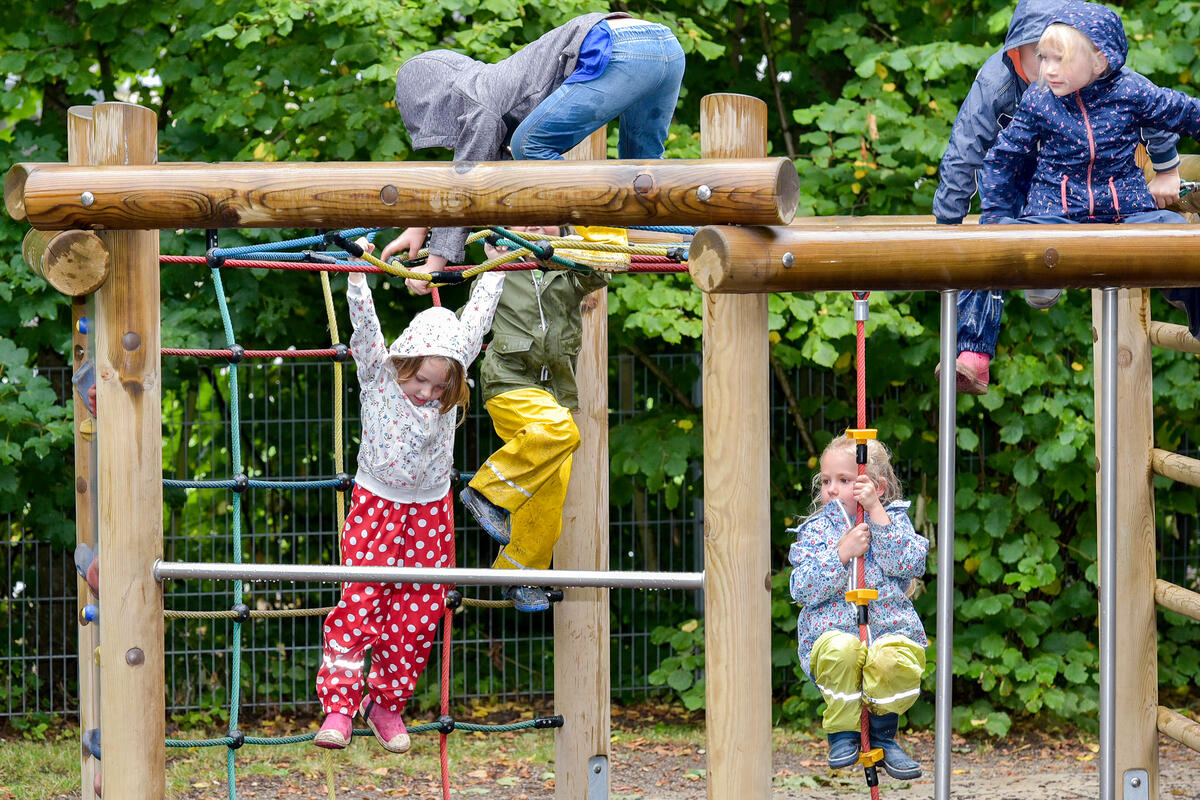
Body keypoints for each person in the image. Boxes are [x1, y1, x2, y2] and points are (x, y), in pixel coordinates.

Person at [933, 0, 1182, 394]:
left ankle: (1046, 276)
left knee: (1172, 238)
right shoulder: (999, 82)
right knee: (989, 240)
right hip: (1028, 179)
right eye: (1043, 57)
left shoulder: (1102, 75)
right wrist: (948, 227)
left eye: (1060, 56)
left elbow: (1158, 109)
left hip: (1097, 184)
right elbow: (967, 149)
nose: (1051, 68)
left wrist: (1167, 169)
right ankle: (973, 352)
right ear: (1018, 54)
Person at [313, 255, 505, 751]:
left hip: (431, 511)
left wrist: (500, 266)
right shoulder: (379, 376)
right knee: (361, 602)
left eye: (442, 387)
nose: (428, 393)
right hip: (378, 503)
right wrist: (358, 276)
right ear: (403, 362)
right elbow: (365, 328)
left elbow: (479, 315)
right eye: (420, 380)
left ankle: (386, 706)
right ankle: (339, 707)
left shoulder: (446, 383)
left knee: (421, 612)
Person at [395, 227, 611, 612]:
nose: (529, 230)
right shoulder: (500, 265)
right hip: (508, 384)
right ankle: (486, 491)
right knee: (561, 431)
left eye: (540, 221)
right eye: (520, 222)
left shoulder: (567, 264)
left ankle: (518, 572)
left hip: (555, 392)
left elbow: (603, 268)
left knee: (551, 489)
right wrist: (426, 286)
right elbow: (466, 320)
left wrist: (564, 244)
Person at [382, 12, 685, 274]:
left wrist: (436, 261)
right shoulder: (499, 92)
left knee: (530, 144)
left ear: (438, 106)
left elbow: (468, 179)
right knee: (642, 177)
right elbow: (494, 179)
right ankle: (698, 229)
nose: (451, 145)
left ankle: (605, 232)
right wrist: (422, 223)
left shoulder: (478, 99)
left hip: (621, 49)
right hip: (665, 45)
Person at [789, 435, 928, 779]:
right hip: (831, 635)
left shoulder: (893, 521)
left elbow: (909, 564)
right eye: (825, 481)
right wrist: (841, 553)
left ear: (876, 487)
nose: (831, 489)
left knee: (892, 660)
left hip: (889, 630)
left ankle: (884, 737)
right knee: (842, 651)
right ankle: (842, 734)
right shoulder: (815, 531)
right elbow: (802, 588)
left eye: (844, 480)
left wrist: (878, 518)